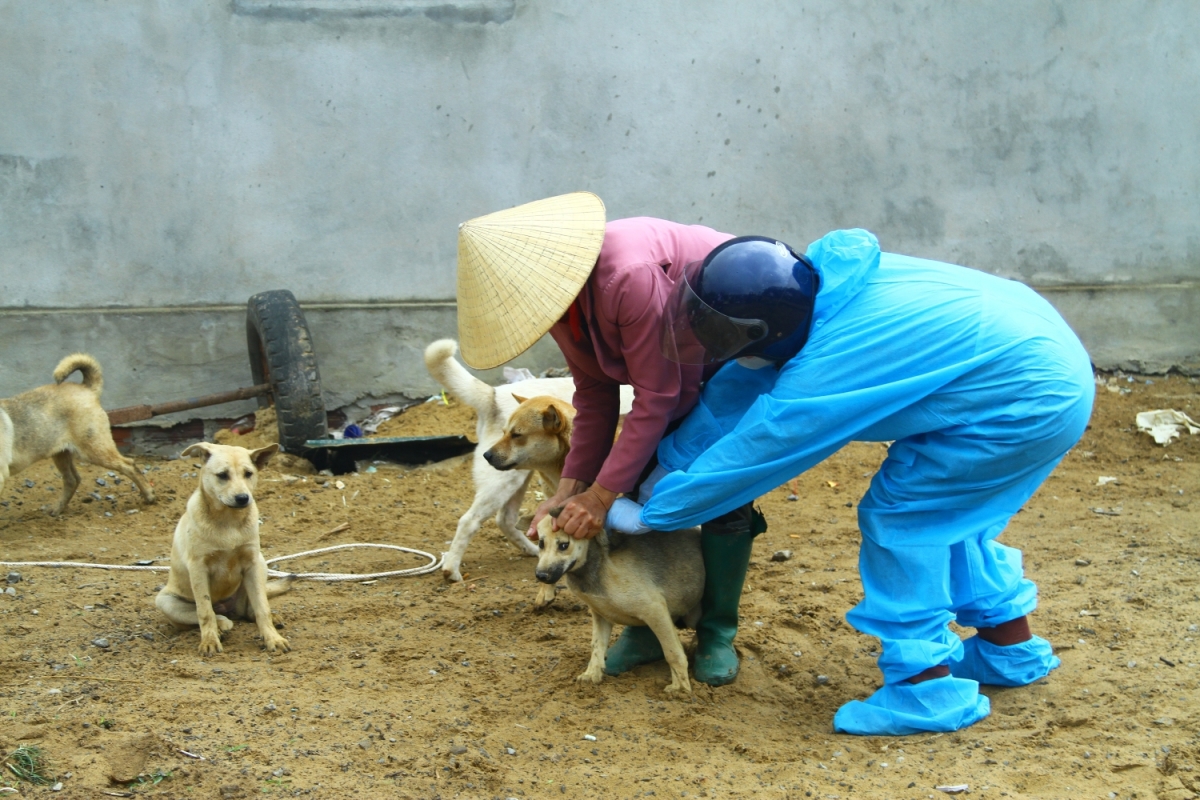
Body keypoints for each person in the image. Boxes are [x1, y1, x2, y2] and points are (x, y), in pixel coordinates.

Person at [606, 227, 1094, 735]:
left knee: (907, 516)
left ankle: (924, 691)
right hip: (1036, 357)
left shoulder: (833, 360)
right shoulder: (819, 292)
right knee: (953, 515)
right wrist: (661, 471)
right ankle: (1006, 649)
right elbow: (739, 388)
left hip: (1026, 398)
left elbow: (764, 447)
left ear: (763, 329)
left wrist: (655, 511)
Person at [454, 191, 762, 686]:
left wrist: (600, 495)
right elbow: (595, 395)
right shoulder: (560, 307)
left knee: (714, 480)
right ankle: (643, 621)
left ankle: (716, 629)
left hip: (736, 351)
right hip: (678, 369)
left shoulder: (627, 279)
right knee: (638, 475)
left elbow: (657, 396)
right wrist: (569, 489)